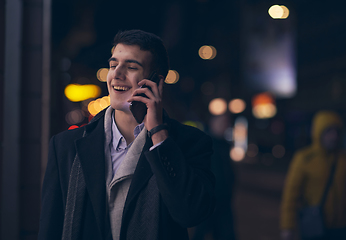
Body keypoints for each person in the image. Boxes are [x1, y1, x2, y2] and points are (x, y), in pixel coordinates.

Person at [38, 30, 215, 240]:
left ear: (155, 82)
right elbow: (50, 228)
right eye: (113, 65)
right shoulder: (65, 146)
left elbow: (190, 213)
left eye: (131, 67)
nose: (116, 74)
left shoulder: (189, 142)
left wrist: (158, 134)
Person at [280, 110, 346, 240]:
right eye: (328, 131)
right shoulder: (304, 159)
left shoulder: (345, 160)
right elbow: (290, 196)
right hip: (315, 228)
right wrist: (287, 227)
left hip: (342, 228)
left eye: (336, 131)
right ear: (318, 133)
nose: (333, 136)